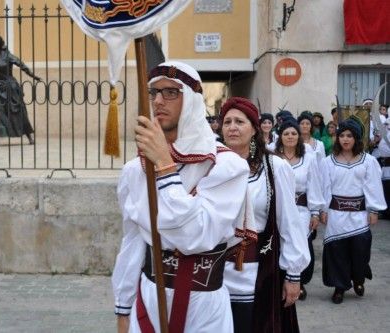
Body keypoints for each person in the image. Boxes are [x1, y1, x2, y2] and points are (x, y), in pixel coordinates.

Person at [112, 61, 252, 332]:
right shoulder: (135, 170)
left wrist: (165, 168)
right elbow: (132, 242)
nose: (159, 101)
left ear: (191, 101)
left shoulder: (227, 166)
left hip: (204, 305)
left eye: (171, 93)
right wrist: (123, 307)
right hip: (150, 300)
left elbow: (195, 236)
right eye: (154, 93)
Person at [221, 97, 310, 333]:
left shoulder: (274, 167)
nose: (232, 127)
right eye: (227, 121)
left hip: (260, 272)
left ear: (254, 128)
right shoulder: (211, 166)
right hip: (216, 277)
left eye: (239, 121)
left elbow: (289, 222)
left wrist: (293, 275)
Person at [320, 118, 387, 304]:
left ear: (356, 138)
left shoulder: (369, 161)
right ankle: (339, 287)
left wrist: (374, 210)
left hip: (359, 214)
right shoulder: (328, 162)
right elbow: (325, 187)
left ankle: (358, 278)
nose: (345, 139)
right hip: (336, 214)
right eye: (342, 135)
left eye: (349, 135)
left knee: (360, 250)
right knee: (337, 251)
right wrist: (323, 209)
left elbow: (373, 186)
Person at [275, 119, 325, 301]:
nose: (290, 136)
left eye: (294, 133)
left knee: (301, 245)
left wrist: (315, 212)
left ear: (299, 136)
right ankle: (280, 281)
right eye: (286, 133)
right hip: (278, 211)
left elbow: (314, 185)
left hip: (301, 211)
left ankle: (300, 282)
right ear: (280, 136)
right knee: (280, 246)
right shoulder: (273, 157)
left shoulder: (308, 158)